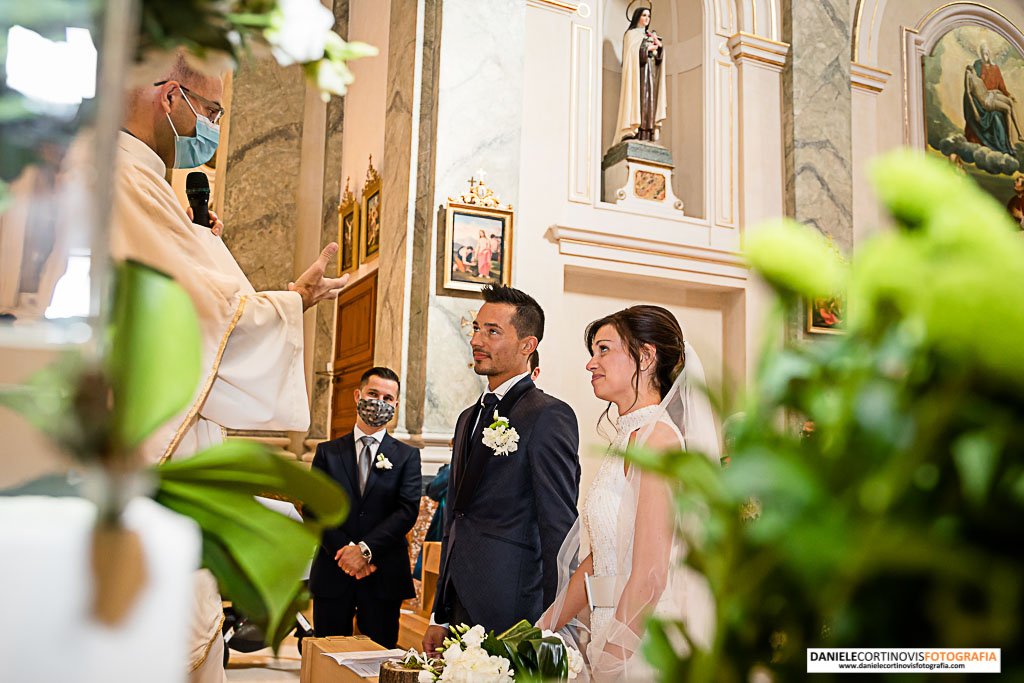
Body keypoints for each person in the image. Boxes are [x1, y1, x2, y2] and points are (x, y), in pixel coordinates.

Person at [109, 52, 350, 682]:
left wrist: (204, 244)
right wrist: (292, 301)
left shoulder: (145, 185)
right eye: (211, 111)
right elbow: (213, 326)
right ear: (170, 97)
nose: (209, 129)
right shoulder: (125, 180)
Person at [537, 306, 720, 681]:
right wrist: (539, 630)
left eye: (604, 349)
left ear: (647, 356)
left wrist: (611, 663)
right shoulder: (627, 439)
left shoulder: (660, 440)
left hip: (642, 642)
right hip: (610, 627)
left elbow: (651, 575)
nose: (592, 363)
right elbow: (598, 559)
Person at [422, 285, 580, 655]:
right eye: (476, 328)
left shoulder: (547, 415)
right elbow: (456, 520)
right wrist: (439, 615)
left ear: (528, 345)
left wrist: (551, 623)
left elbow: (558, 525)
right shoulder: (467, 419)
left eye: (493, 331)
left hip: (514, 608)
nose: (477, 340)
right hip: (459, 603)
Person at [309, 367, 422, 648]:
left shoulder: (408, 456)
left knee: (377, 657)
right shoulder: (327, 452)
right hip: (334, 571)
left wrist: (364, 551)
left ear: (395, 405)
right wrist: (346, 554)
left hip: (382, 572)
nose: (379, 402)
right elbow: (313, 509)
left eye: (387, 397)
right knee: (328, 656)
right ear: (358, 396)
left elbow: (406, 510)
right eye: (373, 394)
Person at [614, 5, 666, 143]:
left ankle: (647, 133)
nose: (647, 19)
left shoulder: (649, 35)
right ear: (637, 17)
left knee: (649, 101)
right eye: (644, 15)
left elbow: (659, 58)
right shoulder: (631, 34)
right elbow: (632, 53)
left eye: (648, 16)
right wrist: (647, 48)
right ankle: (635, 130)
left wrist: (659, 49)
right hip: (638, 74)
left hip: (650, 73)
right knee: (640, 100)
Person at [964, 42, 1021, 154]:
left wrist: (1008, 94)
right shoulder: (975, 68)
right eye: (982, 53)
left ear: (989, 54)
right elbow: (969, 93)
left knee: (1009, 102)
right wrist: (975, 111)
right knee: (1005, 110)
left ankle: (1019, 134)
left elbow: (1001, 86)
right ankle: (1009, 142)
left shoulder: (995, 68)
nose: (984, 56)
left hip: (992, 94)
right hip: (984, 102)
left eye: (986, 53)